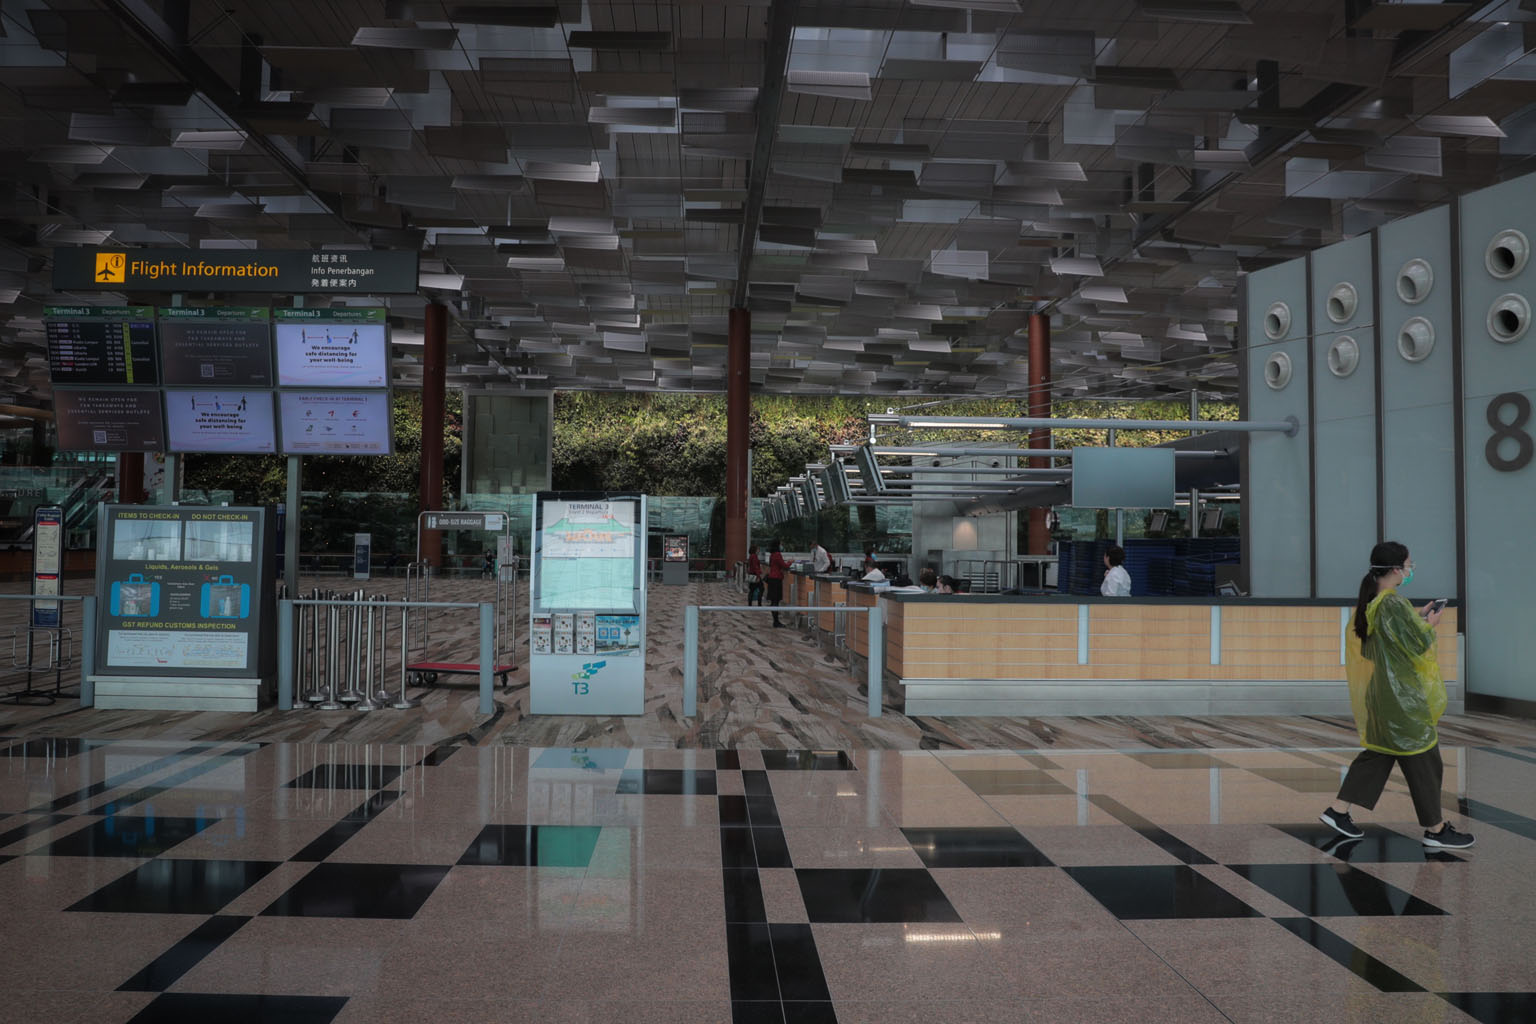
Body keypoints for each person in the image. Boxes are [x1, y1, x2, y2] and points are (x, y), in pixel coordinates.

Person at [1320, 541, 1474, 849]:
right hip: (1400, 695)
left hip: (1381, 693)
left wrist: (1415, 616)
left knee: (1379, 752)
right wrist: (1430, 625)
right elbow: (1415, 645)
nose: (1410, 569)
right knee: (1423, 755)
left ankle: (1338, 811)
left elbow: (1385, 642)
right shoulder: (1391, 603)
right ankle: (1435, 828)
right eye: (1408, 564)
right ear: (1395, 569)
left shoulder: (1374, 602)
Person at [766, 539, 792, 627]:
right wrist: (790, 562)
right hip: (776, 579)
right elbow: (784, 566)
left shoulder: (772, 555)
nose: (782, 546)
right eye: (781, 544)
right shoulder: (777, 554)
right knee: (775, 601)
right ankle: (776, 621)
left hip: (772, 579)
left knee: (774, 601)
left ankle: (775, 620)